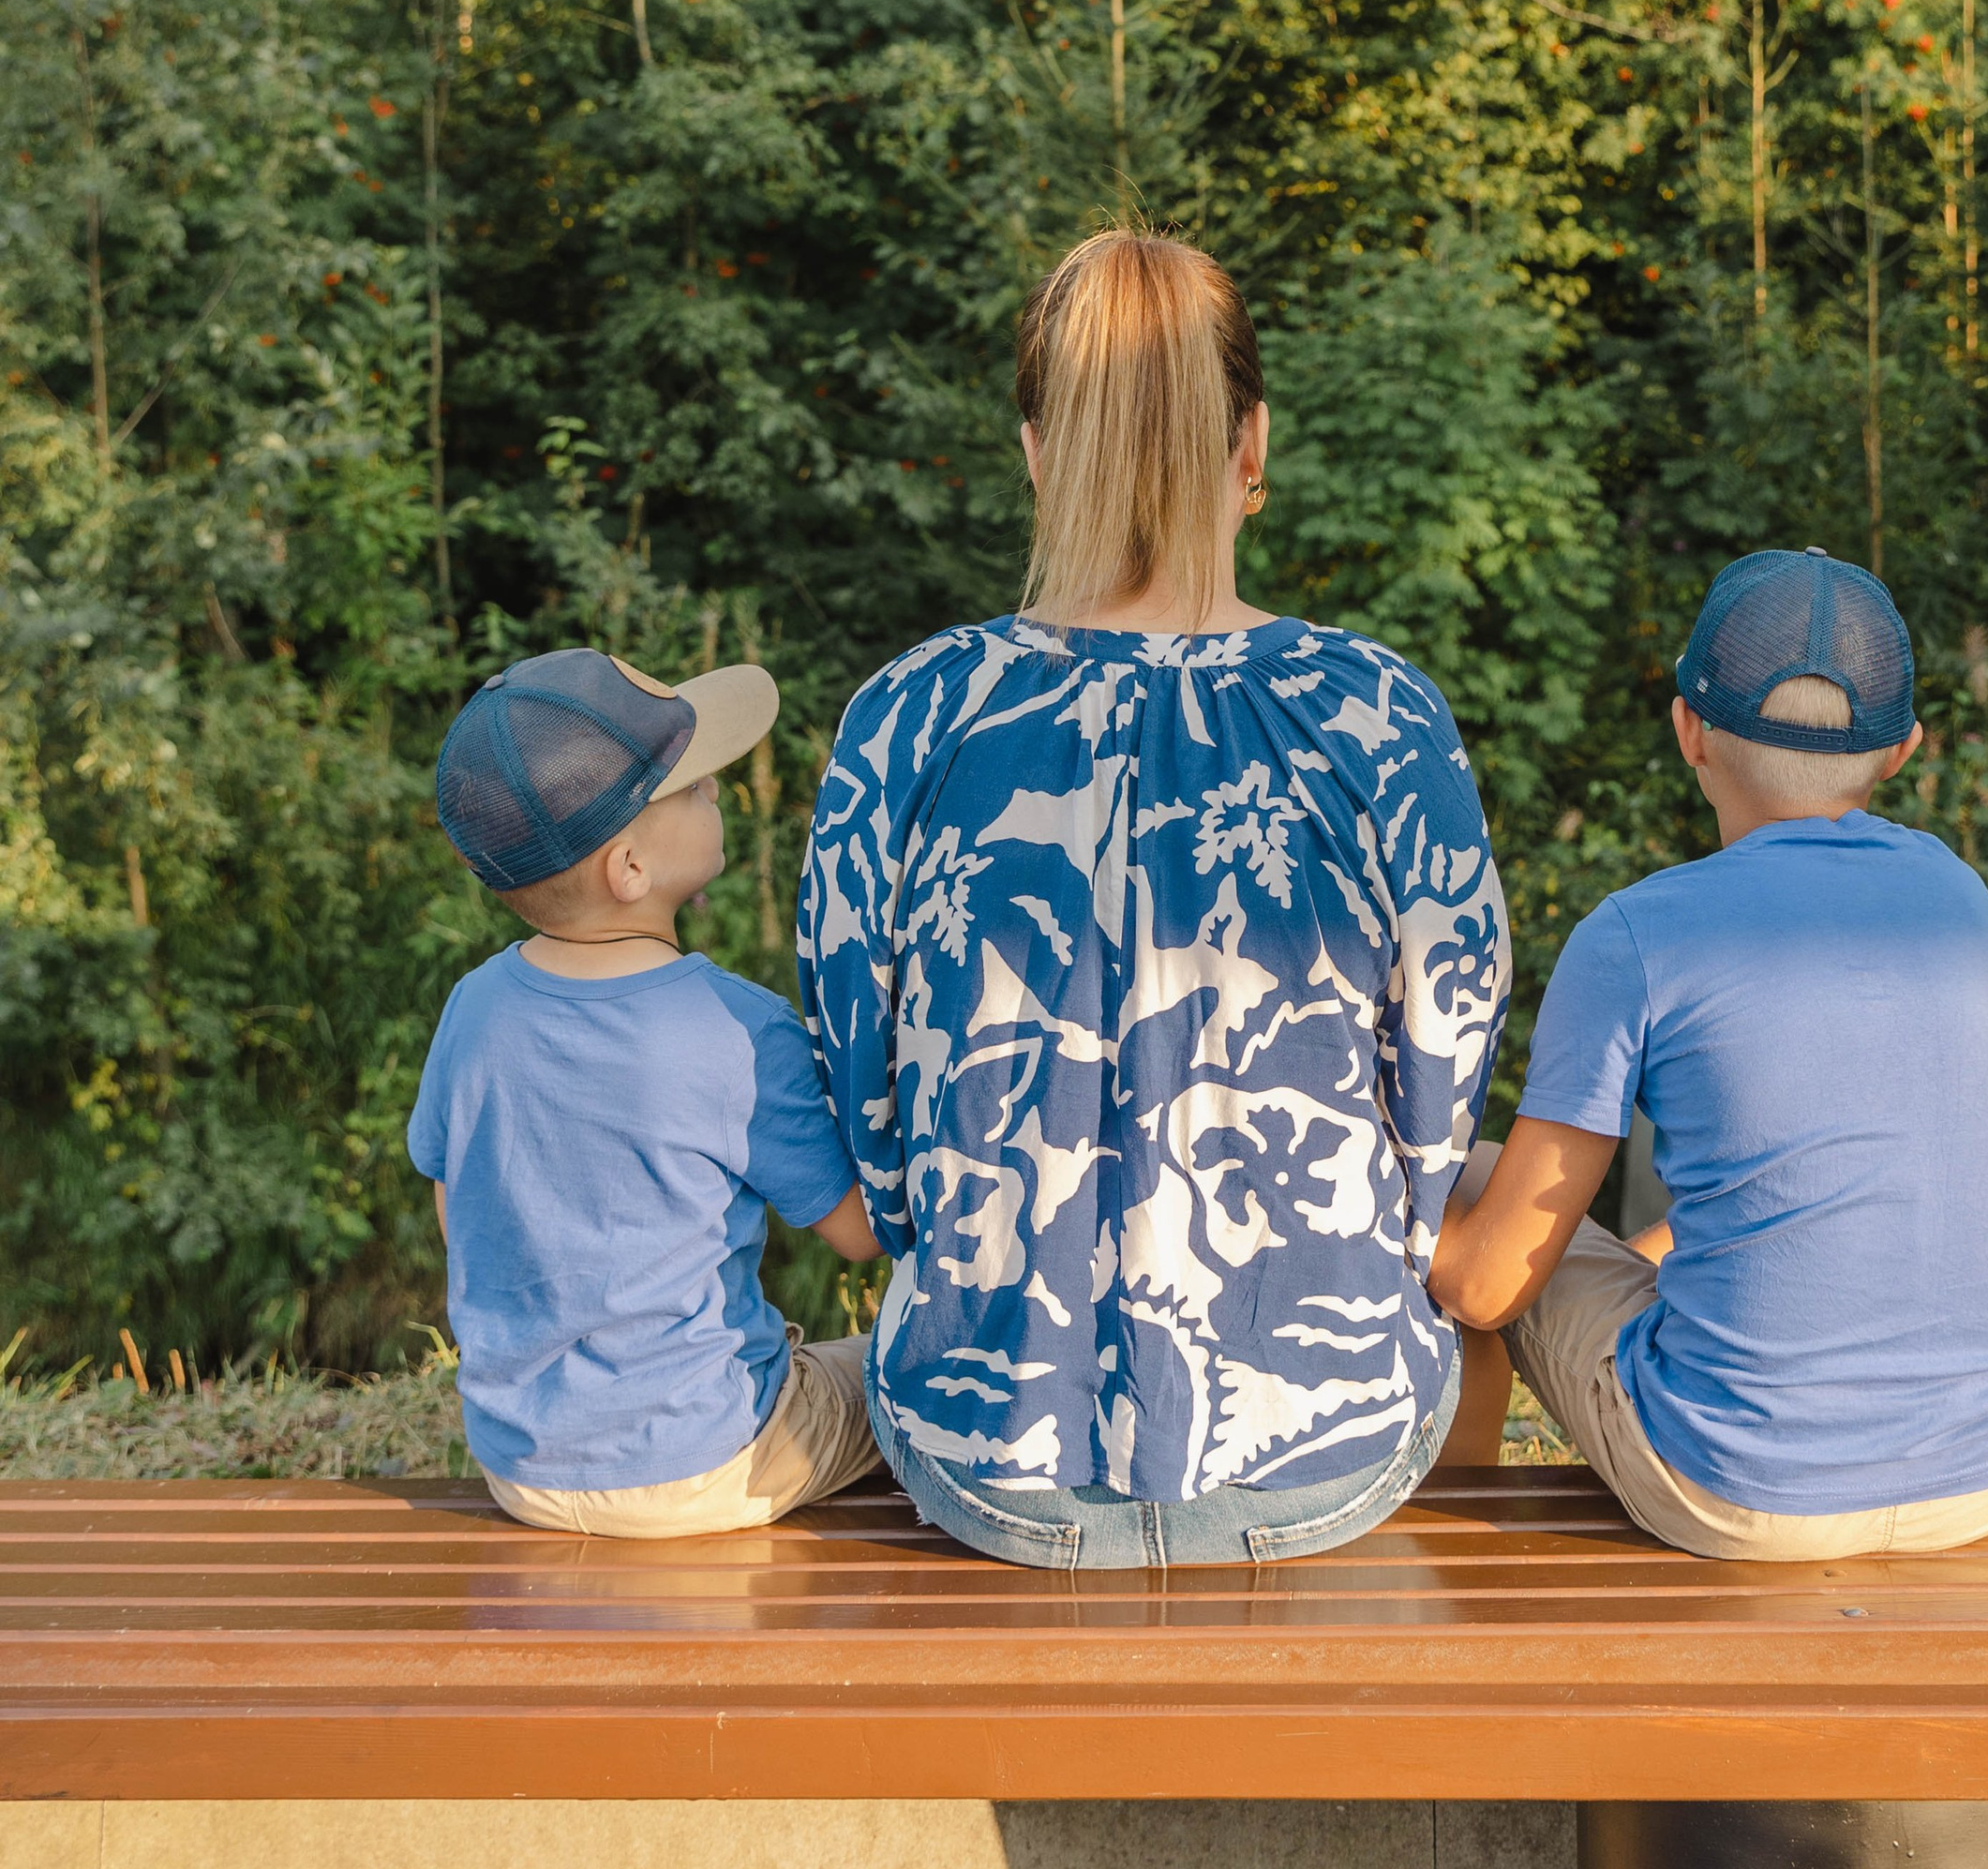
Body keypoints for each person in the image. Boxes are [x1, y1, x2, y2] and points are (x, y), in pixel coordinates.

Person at [797, 226, 1512, 1570]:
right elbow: (1439, 1081)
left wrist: (932, 1239)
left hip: (985, 1456)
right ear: (1253, 444)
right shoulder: (1375, 715)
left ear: (1034, 452)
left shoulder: (910, 715)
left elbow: (865, 1091)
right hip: (1326, 1454)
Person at [1430, 546, 1988, 1558]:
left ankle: (1432, 1563)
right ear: (1901, 750)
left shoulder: (1637, 933)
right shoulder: (1956, 899)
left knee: (1469, 1185)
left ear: (1688, 729)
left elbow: (1489, 1287)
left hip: (1736, 1490)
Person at [412, 649, 884, 1534]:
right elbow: (857, 1234)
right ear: (629, 867)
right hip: (708, 1462)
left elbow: (455, 1205)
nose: (719, 793)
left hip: (525, 1469)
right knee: (898, 1369)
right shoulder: (737, 1026)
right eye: (696, 785)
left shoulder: (473, 1011)